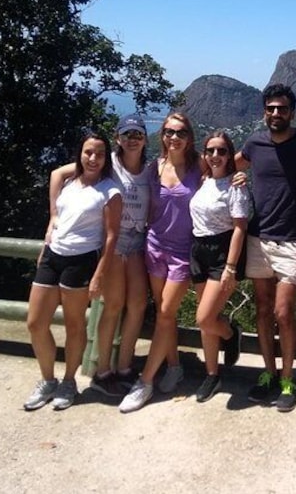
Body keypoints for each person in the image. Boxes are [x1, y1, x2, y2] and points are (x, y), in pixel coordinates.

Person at [234, 84, 296, 412]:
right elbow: (227, 166)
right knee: (261, 309)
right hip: (258, 238)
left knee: (283, 312)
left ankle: (288, 379)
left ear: (292, 112)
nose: (276, 114)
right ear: (264, 112)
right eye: (271, 108)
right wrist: (234, 179)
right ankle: (268, 374)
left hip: (294, 241)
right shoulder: (254, 143)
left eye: (282, 109)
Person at [48, 115, 152, 397]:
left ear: (145, 139)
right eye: (127, 133)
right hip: (114, 244)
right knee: (114, 305)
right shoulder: (109, 165)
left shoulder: (151, 170)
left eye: (138, 134)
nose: (133, 139)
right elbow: (58, 174)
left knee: (138, 304)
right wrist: (53, 218)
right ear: (118, 138)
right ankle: (103, 371)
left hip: (139, 242)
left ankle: (125, 367)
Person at [24, 132, 122, 410]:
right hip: (53, 255)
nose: (93, 158)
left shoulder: (109, 191)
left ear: (106, 159)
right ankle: (47, 380)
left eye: (100, 154)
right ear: (79, 154)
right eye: (88, 152)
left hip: (80, 262)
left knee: (74, 324)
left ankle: (69, 381)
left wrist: (100, 273)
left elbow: (111, 236)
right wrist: (49, 231)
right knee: (35, 323)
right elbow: (57, 200)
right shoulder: (68, 184)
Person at [120, 113, 202, 413]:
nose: (174, 137)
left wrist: (240, 176)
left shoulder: (199, 167)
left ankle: (145, 381)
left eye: (180, 132)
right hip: (153, 247)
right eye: (169, 131)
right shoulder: (154, 167)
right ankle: (174, 365)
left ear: (189, 137)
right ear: (162, 135)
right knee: (162, 311)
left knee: (166, 313)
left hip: (183, 252)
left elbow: (230, 167)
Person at [188, 131, 248, 402]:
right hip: (198, 251)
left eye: (221, 151)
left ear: (229, 155)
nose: (215, 156)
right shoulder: (203, 181)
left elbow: (239, 229)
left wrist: (231, 268)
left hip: (222, 254)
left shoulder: (235, 185)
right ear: (204, 154)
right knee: (204, 321)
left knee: (205, 317)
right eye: (210, 151)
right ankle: (212, 375)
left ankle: (231, 332)